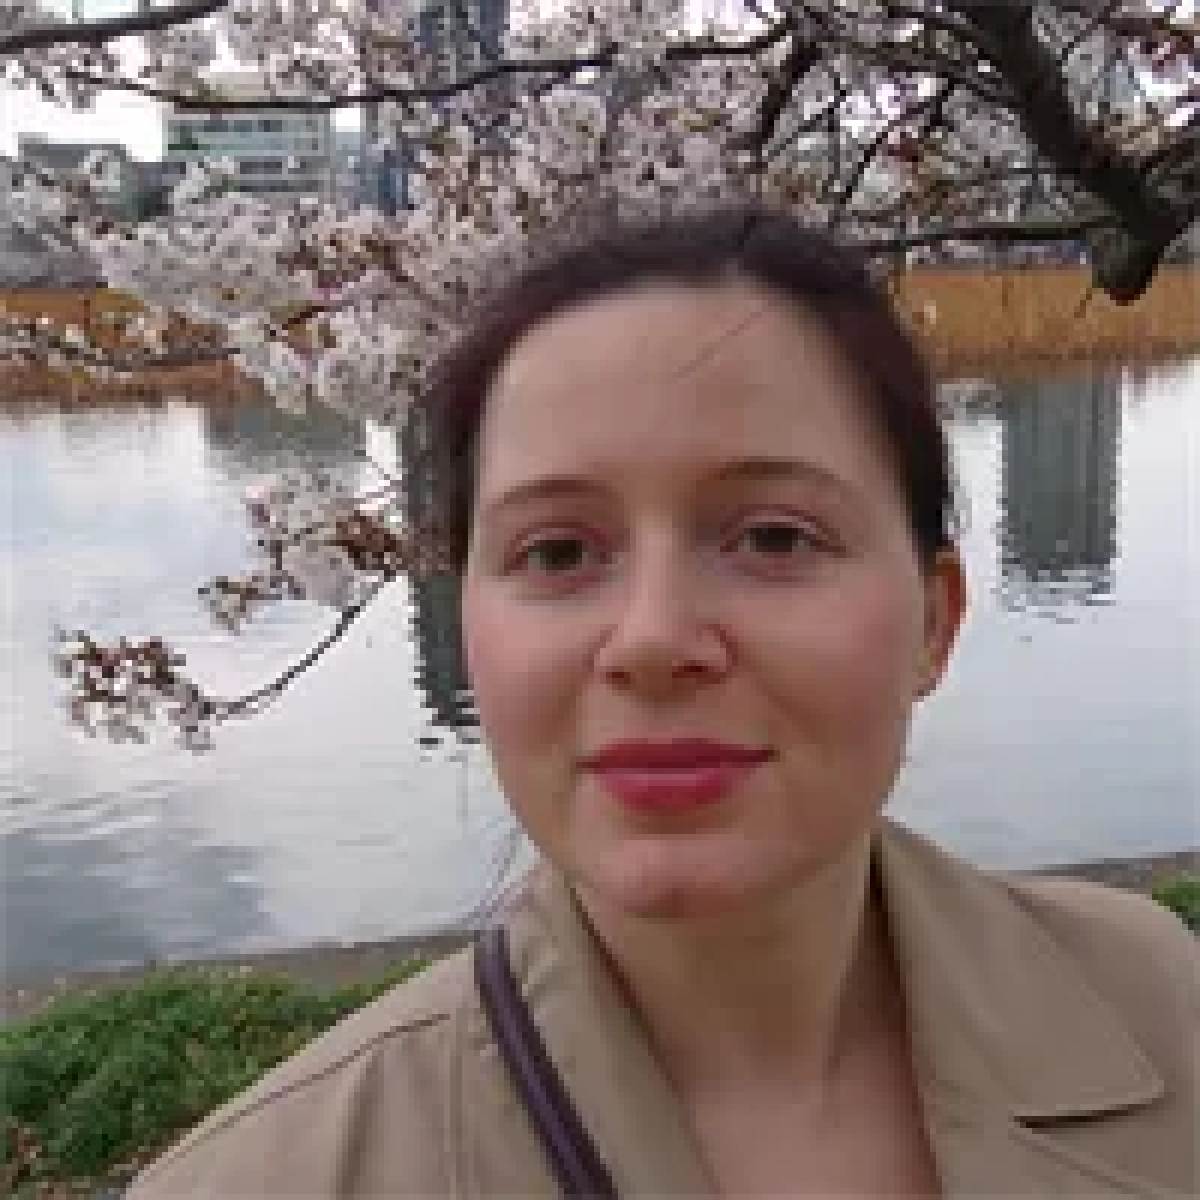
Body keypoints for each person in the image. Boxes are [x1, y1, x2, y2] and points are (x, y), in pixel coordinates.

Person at [125, 203, 1197, 1198]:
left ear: (934, 620)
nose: (651, 640)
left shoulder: (1164, 1006)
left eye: (774, 536)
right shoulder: (275, 1177)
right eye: (557, 552)